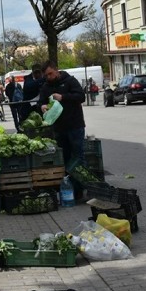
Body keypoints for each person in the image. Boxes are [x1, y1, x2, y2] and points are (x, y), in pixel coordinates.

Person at [37, 61, 87, 196]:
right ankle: (69, 188)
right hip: (59, 128)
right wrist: (42, 106)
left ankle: (80, 189)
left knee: (78, 157)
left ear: (56, 70)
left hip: (75, 125)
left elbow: (81, 97)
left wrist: (63, 97)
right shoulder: (46, 86)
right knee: (65, 158)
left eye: (50, 74)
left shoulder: (70, 81)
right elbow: (40, 101)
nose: (48, 77)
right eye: (46, 75)